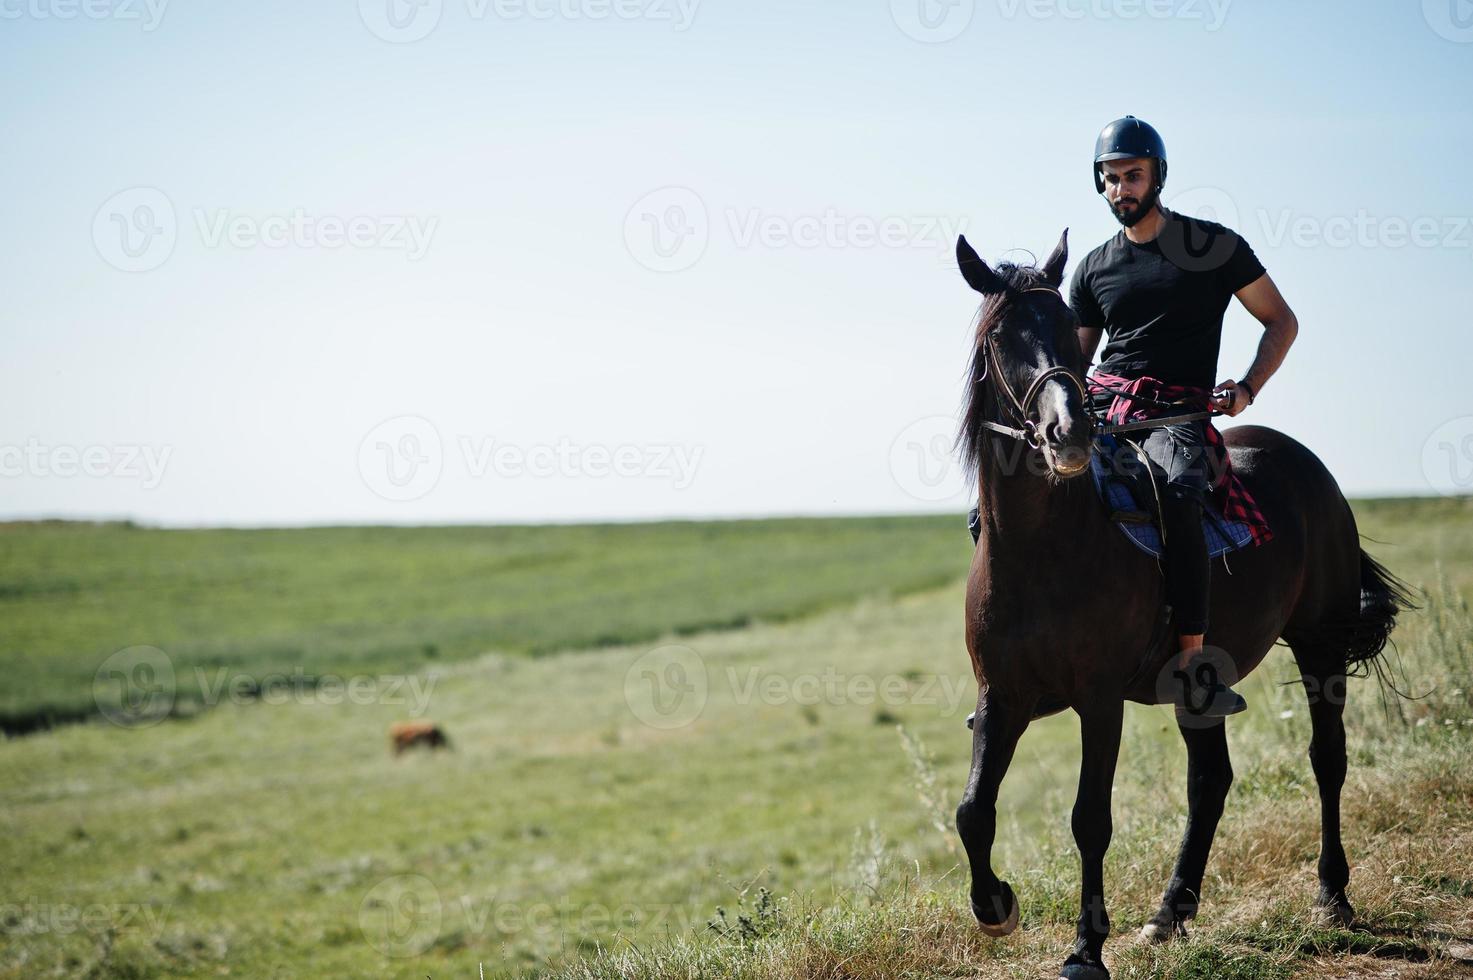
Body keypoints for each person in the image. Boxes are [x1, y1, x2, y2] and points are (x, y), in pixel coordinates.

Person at [1071, 115, 1299, 716]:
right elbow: (1077, 362)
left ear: (1159, 177)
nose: (1122, 188)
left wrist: (1249, 387)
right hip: (1105, 409)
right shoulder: (1093, 268)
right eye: (1112, 178)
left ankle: (1195, 668)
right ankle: (1017, 666)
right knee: (1010, 490)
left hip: (1177, 415)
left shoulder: (1215, 247)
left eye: (1134, 175)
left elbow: (1282, 320)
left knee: (1178, 492)